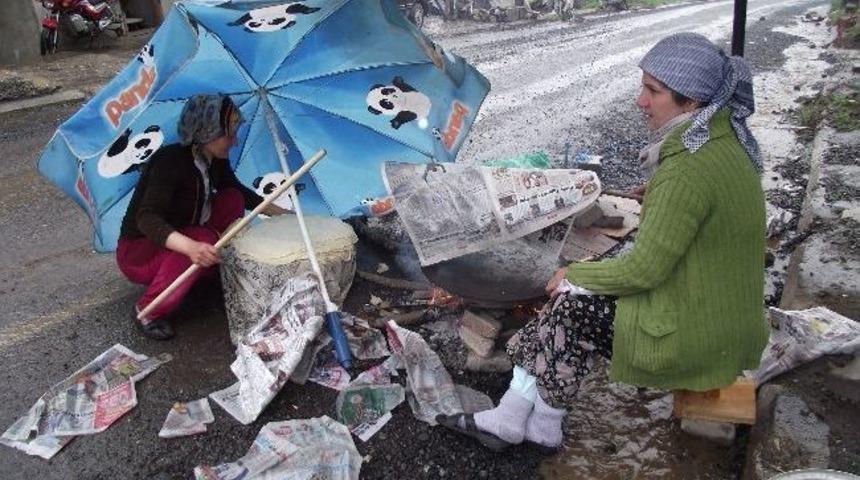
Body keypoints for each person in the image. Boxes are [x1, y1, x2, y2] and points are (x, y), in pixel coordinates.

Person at [437, 32, 769, 451]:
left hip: (698, 336)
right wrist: (655, 199)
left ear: (692, 102)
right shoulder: (722, 140)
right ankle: (539, 422)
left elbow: (645, 269)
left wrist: (572, 272)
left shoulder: (686, 168)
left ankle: (516, 418)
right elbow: (704, 206)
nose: (639, 101)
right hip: (724, 320)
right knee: (576, 299)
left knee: (573, 299)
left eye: (653, 91)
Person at [117, 94, 286, 340]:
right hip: (140, 252)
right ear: (208, 132)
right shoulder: (169, 162)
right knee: (203, 237)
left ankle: (201, 270)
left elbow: (237, 190)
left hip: (186, 233)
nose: (235, 141)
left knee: (231, 199)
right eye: (229, 134)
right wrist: (191, 246)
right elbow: (147, 218)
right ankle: (148, 310)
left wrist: (279, 212)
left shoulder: (213, 159)